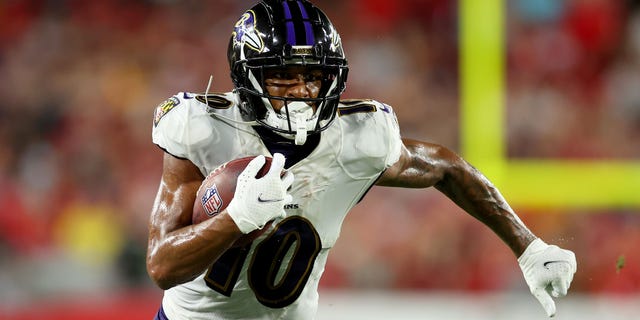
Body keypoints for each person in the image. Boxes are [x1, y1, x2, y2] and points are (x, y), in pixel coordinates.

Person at [146, 0, 577, 319]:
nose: (300, 91)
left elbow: (448, 168)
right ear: (247, 77)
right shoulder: (204, 130)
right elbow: (162, 265)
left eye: (313, 77)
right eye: (282, 76)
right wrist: (236, 217)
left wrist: (528, 247)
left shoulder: (358, 139)